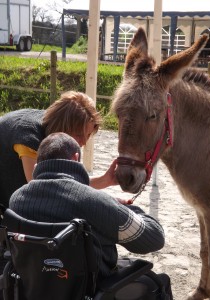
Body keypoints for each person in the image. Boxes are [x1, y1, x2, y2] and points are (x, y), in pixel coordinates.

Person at [9, 132, 173, 299]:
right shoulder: (94, 202)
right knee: (160, 282)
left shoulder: (16, 200)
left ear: (38, 166)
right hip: (91, 290)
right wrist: (121, 207)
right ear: (76, 158)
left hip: (36, 288)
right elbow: (154, 238)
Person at [0, 90, 117, 208]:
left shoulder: (55, 133)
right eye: (79, 135)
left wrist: (105, 180)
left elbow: (63, 182)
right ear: (62, 127)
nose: (84, 142)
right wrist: (103, 203)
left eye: (88, 135)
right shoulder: (29, 137)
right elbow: (45, 191)